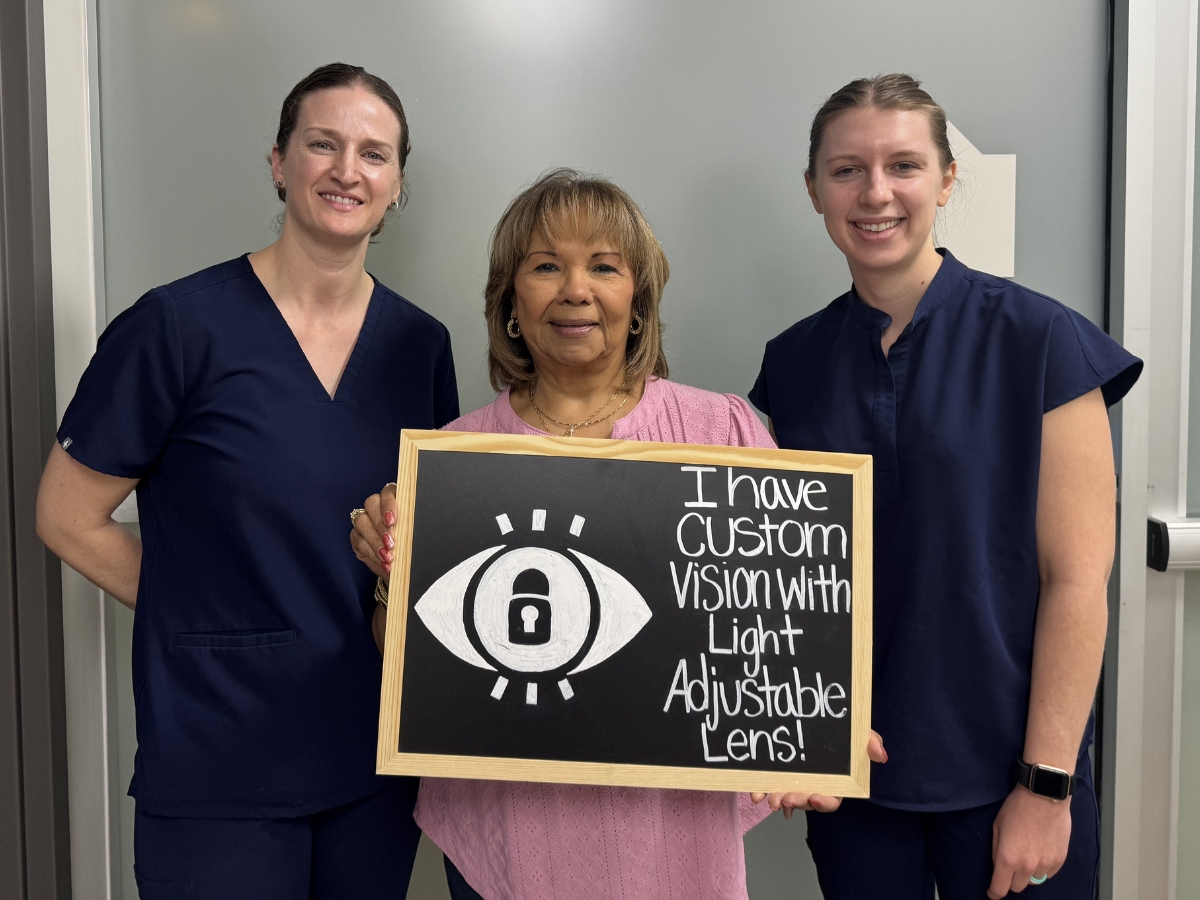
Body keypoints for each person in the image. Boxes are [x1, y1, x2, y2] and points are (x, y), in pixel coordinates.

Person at [351, 168, 886, 900]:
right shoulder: (456, 456)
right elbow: (407, 654)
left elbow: (783, 631)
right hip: (510, 824)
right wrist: (391, 564)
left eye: (604, 266)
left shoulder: (720, 431)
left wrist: (818, 728)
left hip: (673, 832)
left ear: (638, 300)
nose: (577, 289)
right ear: (511, 301)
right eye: (546, 266)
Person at [36, 62, 458, 899]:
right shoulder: (177, 327)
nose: (348, 170)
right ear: (277, 160)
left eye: (374, 154)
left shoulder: (422, 346)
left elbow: (427, 536)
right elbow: (65, 516)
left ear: (398, 183)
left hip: (374, 753)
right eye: (322, 144)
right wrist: (198, 607)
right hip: (219, 752)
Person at [749, 74, 1143, 899]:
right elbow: (776, 578)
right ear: (814, 189)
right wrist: (789, 730)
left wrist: (1046, 786)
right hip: (857, 770)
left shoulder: (1042, 340)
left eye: (904, 165)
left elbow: (1079, 584)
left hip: (1010, 771)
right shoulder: (791, 365)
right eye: (847, 169)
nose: (876, 192)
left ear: (946, 179)